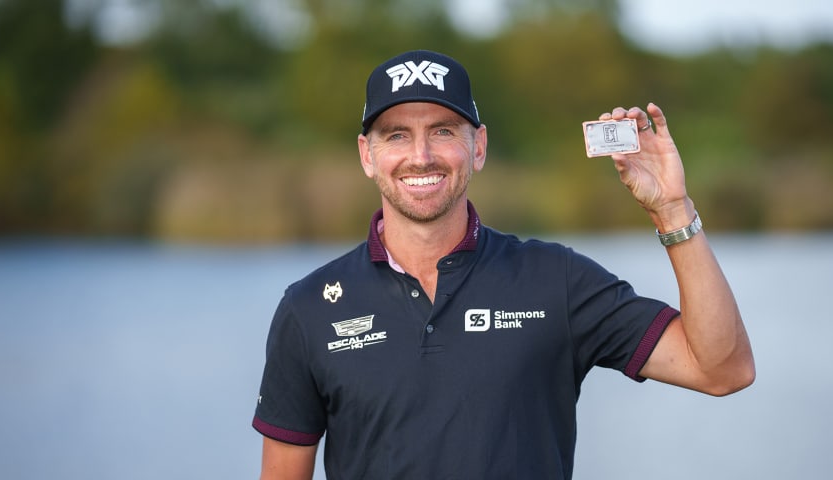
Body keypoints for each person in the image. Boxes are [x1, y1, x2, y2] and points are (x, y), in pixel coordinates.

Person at [252, 50, 754, 480]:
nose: (421, 155)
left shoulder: (555, 279)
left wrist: (672, 209)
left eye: (443, 130)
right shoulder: (309, 308)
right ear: (367, 154)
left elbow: (721, 369)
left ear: (479, 147)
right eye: (397, 135)